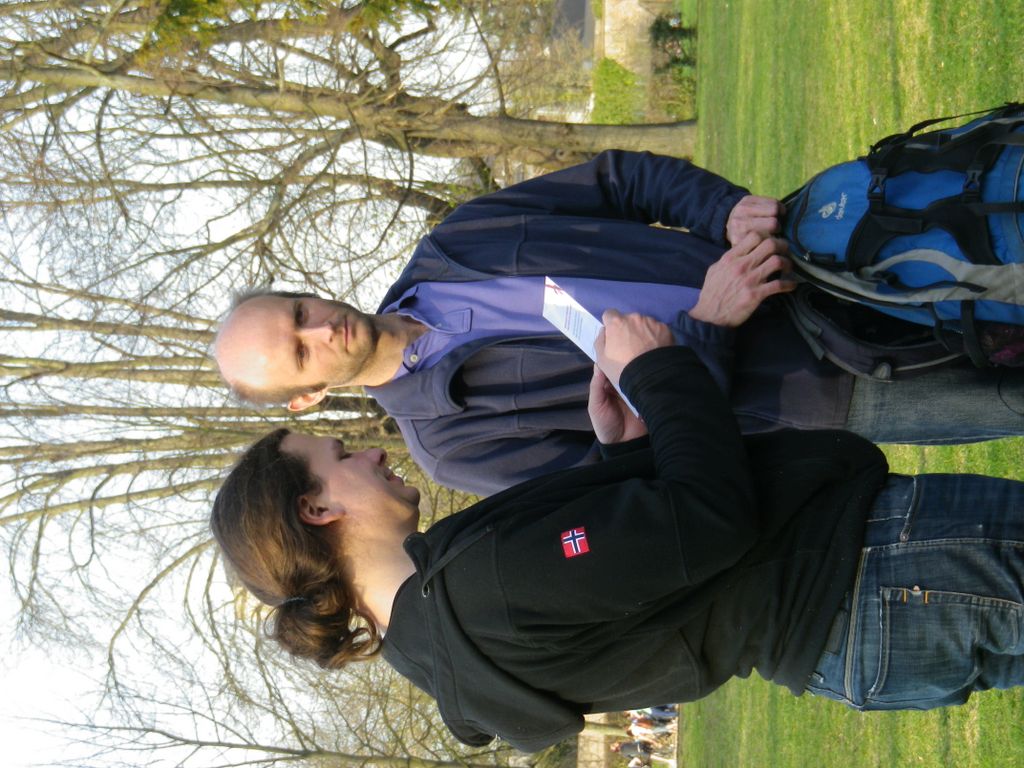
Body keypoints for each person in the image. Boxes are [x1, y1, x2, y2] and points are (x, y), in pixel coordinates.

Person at [211, 310, 1024, 753]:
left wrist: (620, 454)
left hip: (855, 644)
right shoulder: (479, 589)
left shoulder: (432, 645)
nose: (370, 452)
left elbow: (645, 599)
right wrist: (656, 373)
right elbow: (708, 519)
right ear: (318, 511)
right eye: (341, 455)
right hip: (877, 570)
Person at [213, 151, 1024, 496]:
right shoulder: (452, 447)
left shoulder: (454, 243)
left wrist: (724, 211)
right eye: (298, 353)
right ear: (308, 399)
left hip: (808, 263)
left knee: (998, 246)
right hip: (828, 390)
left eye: (298, 313)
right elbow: (642, 480)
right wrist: (709, 326)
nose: (319, 330)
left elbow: (617, 181)